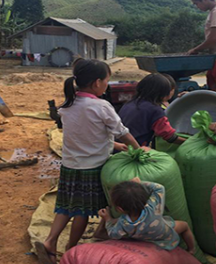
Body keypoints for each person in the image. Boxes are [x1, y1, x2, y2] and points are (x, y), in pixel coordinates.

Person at [36, 59, 141, 264]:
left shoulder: (68, 105)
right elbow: (123, 133)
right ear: (96, 83)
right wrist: (138, 150)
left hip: (70, 165)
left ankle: (50, 241)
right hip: (91, 168)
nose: (107, 86)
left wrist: (114, 146)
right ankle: (71, 249)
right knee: (82, 212)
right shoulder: (101, 106)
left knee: (65, 206)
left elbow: (87, 135)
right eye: (106, 81)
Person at [98, 178, 195, 253]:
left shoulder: (123, 223)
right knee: (185, 226)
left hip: (143, 239)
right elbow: (159, 188)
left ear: (120, 209)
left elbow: (112, 234)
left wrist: (108, 219)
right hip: (164, 235)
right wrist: (140, 184)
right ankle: (191, 249)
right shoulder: (152, 208)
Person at [118, 74, 186, 147]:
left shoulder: (130, 103)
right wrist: (189, 142)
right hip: (134, 149)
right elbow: (169, 137)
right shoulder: (155, 111)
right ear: (163, 92)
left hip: (118, 146)